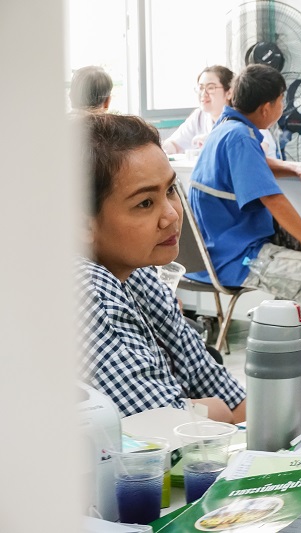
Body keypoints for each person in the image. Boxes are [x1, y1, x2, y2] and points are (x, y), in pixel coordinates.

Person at [76, 113, 246, 423]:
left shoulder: (138, 273)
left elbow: (234, 400)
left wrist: (204, 410)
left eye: (170, 191)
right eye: (144, 203)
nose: (171, 215)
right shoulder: (84, 288)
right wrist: (207, 411)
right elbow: (164, 430)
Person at [188, 64, 301, 381]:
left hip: (218, 247)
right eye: (281, 101)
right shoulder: (240, 138)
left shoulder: (229, 128)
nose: (283, 107)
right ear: (267, 107)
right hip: (233, 258)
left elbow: (258, 163)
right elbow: (273, 200)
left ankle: (281, 340)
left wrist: (296, 169)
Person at [163, 65, 301, 182]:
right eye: (200, 87)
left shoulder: (243, 127)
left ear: (230, 92)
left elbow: (255, 157)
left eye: (211, 87)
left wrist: (295, 168)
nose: (203, 94)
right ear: (266, 108)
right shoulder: (235, 131)